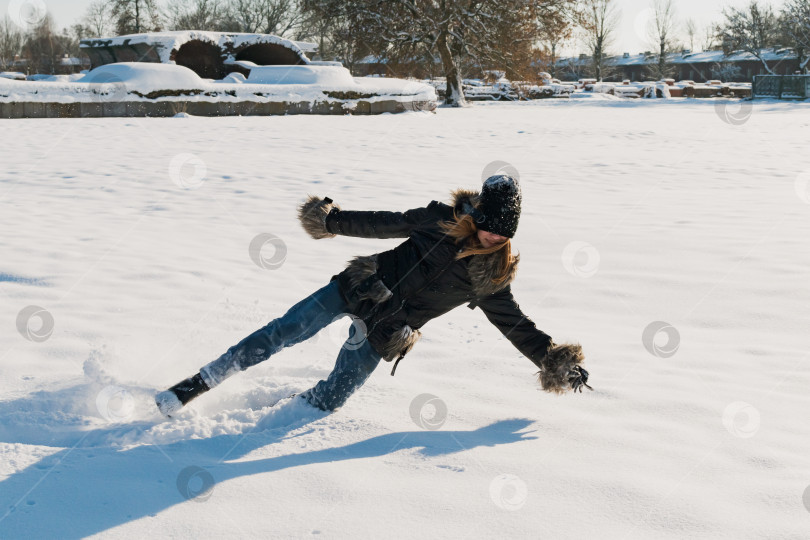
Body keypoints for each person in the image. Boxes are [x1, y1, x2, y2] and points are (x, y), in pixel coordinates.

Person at [156, 174, 591, 417]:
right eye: (489, 224)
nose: (494, 236)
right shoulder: (438, 221)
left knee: (332, 398)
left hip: (388, 329)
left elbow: (515, 324)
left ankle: (284, 414)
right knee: (282, 333)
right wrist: (332, 221)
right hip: (359, 288)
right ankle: (199, 382)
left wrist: (552, 360)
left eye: (504, 232)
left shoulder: (490, 275)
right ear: (476, 214)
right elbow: (385, 223)